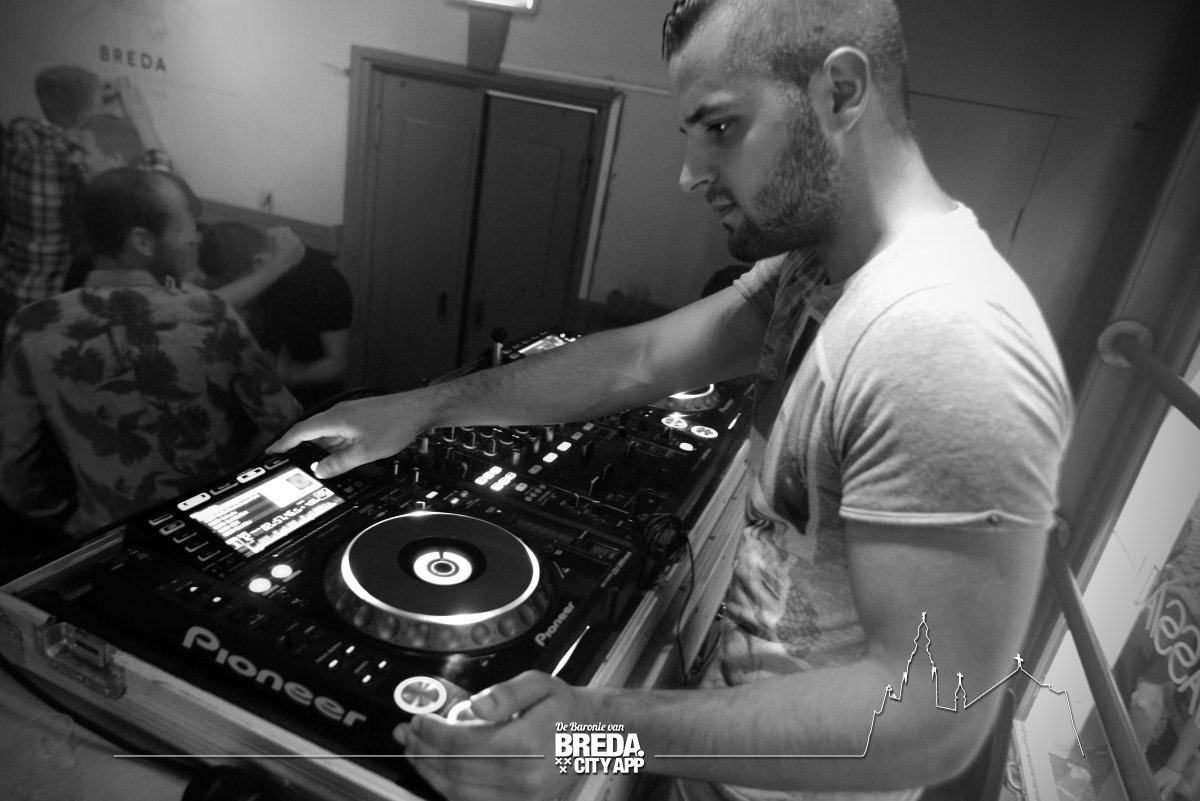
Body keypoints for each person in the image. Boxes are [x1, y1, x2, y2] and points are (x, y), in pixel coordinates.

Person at [268, 1, 1073, 800]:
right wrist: (425, 405)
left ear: (840, 92)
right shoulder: (815, 269)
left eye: (720, 126)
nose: (690, 173)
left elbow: (930, 719)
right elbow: (641, 359)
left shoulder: (943, 337)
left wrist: (590, 734)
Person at [0, 167, 301, 538]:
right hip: (213, 524)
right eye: (187, 226)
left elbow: (16, 468)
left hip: (106, 535)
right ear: (142, 241)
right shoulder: (207, 311)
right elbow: (284, 422)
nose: (194, 238)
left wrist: (69, 517)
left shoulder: (33, 326)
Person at [0, 67, 169, 332]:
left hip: (9, 282)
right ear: (90, 110)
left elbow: (59, 121)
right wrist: (141, 120)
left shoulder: (19, 135)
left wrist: (89, 106)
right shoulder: (82, 167)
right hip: (46, 303)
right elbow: (159, 191)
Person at [197, 220, 352, 410]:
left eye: (233, 280)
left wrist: (290, 374)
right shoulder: (255, 258)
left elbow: (336, 364)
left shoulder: (324, 284)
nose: (239, 289)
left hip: (310, 404)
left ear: (258, 263)